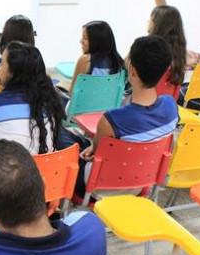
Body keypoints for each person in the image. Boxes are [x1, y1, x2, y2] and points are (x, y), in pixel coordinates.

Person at [77, 35, 179, 196]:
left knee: (72, 147)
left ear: (132, 70)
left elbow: (96, 153)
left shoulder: (112, 119)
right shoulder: (171, 106)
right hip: (143, 182)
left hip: (102, 185)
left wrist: (94, 147)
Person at [0, 41, 65, 154]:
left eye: (2, 63)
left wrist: (1, 91)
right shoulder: (51, 99)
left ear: (12, 73)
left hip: (10, 170)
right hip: (49, 169)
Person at [143, 0, 200, 86]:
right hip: (167, 102)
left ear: (157, 24)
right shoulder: (179, 52)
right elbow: (164, 12)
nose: (148, 21)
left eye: (151, 19)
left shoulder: (149, 48)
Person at [69, 20, 124, 93]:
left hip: (84, 104)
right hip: (110, 104)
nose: (81, 41)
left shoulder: (85, 60)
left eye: (85, 38)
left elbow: (72, 92)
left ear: (96, 41)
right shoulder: (119, 62)